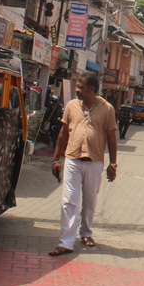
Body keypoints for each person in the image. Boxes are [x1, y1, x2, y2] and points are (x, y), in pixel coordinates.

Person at [49, 72, 118, 256]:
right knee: (69, 201)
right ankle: (66, 242)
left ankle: (86, 232)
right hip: (72, 159)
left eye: (80, 87)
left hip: (94, 162)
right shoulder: (71, 105)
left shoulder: (107, 108)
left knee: (90, 200)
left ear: (91, 89)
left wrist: (113, 164)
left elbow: (111, 137)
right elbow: (63, 133)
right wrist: (56, 159)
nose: (77, 89)